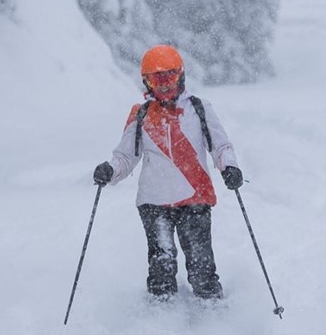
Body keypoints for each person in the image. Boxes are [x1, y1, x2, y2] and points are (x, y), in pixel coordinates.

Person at [93, 45, 243, 302]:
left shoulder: (199, 109)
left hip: (195, 198)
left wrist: (229, 166)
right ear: (146, 82)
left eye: (169, 76)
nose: (163, 85)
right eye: (155, 78)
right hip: (154, 201)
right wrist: (110, 169)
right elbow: (126, 156)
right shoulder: (141, 115)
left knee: (200, 265)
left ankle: (212, 313)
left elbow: (220, 145)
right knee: (162, 264)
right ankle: (162, 315)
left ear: (181, 75)